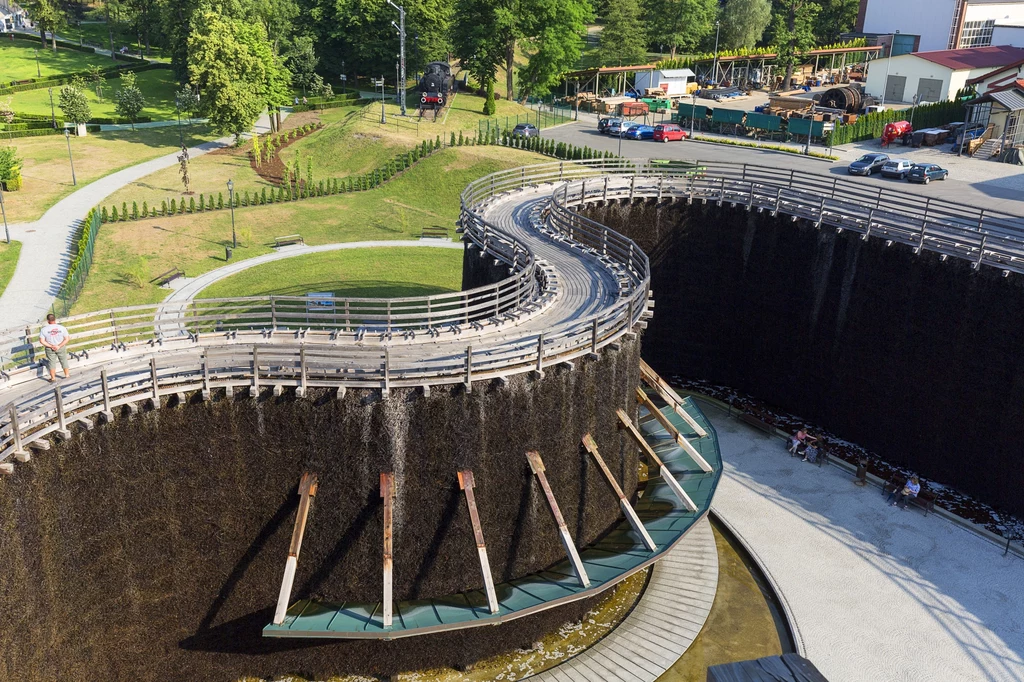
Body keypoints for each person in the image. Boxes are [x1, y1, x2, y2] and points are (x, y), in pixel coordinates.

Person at [39, 313, 71, 382]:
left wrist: (51, 346)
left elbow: (42, 341)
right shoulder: (62, 328)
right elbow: (67, 338)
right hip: (60, 346)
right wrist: (59, 346)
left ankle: (53, 378)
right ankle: (67, 375)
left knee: (51, 362)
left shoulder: (44, 330)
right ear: (55, 319)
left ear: (48, 320)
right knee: (64, 360)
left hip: (50, 348)